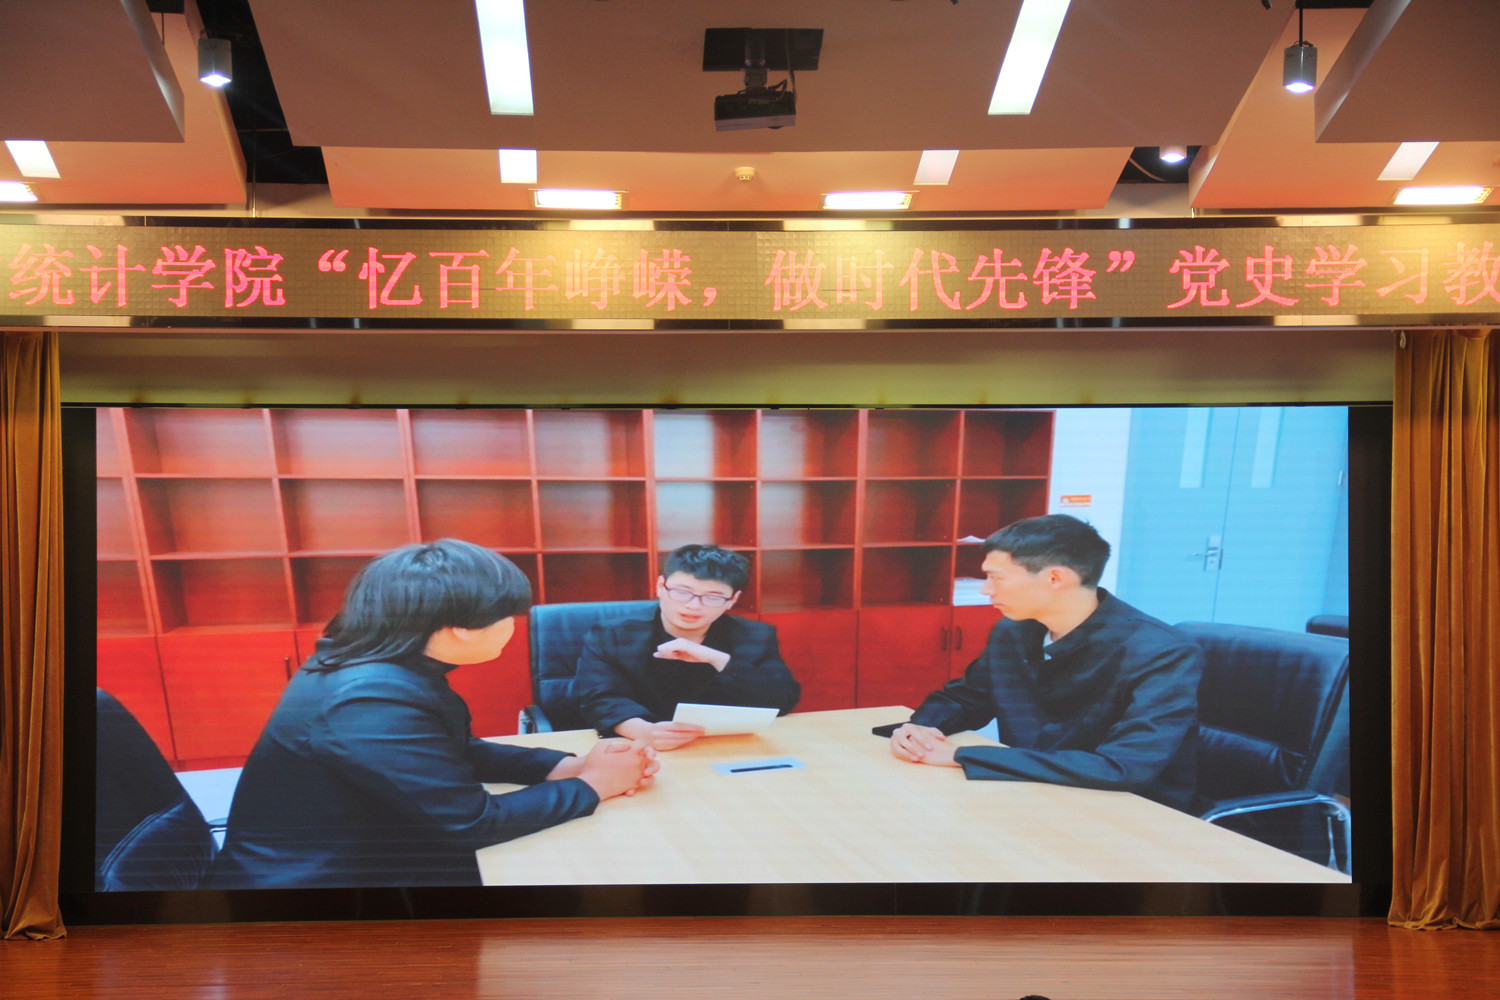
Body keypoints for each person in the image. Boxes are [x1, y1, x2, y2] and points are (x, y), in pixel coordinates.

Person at [213, 539, 657, 888]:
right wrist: (593, 785)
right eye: (508, 616)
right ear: (460, 629)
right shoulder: (368, 701)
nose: (513, 625)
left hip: (374, 846)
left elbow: (451, 750)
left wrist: (565, 766)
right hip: (319, 889)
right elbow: (472, 822)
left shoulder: (382, 663)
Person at [889, 514, 1203, 811]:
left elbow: (1124, 767)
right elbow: (965, 699)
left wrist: (961, 755)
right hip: (1035, 793)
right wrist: (919, 729)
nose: (986, 589)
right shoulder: (1013, 632)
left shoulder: (1161, 652)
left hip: (1130, 812)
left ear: (1055, 578)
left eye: (996, 578)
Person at [573, 543, 801, 750]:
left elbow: (782, 700)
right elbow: (599, 699)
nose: (693, 606)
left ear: (732, 599)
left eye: (713, 597)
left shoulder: (754, 636)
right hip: (638, 745)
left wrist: (719, 660)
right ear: (660, 586)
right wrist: (646, 732)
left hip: (722, 746)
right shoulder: (612, 635)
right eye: (682, 592)